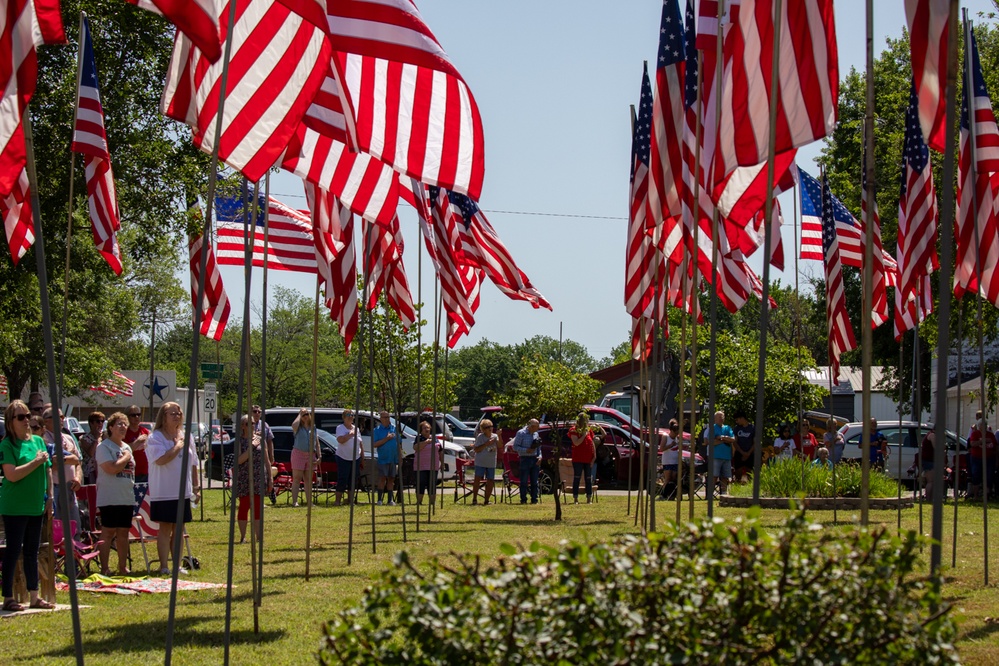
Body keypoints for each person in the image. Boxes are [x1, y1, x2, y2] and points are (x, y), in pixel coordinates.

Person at [0, 400, 55, 611]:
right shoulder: (7, 445)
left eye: (27, 416)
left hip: (35, 505)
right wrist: (35, 462)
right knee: (14, 550)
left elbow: (48, 470)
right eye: (20, 417)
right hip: (15, 506)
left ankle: (35, 596)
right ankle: (8, 597)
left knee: (32, 551)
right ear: (11, 422)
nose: (26, 421)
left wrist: (50, 497)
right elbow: (11, 475)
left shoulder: (38, 442)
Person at [146, 402, 200, 575]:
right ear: (164, 416)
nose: (177, 416)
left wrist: (196, 487)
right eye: (172, 413)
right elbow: (161, 459)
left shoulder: (186, 436)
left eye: (179, 413)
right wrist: (177, 446)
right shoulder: (155, 437)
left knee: (179, 528)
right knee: (165, 527)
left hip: (182, 490)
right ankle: (163, 566)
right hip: (163, 491)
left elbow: (193, 463)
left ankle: (177, 565)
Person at [95, 412, 135, 576]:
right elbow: (111, 469)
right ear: (110, 427)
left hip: (126, 496)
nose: (123, 427)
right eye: (119, 424)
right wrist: (125, 457)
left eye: (125, 424)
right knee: (108, 532)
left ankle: (122, 566)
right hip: (109, 497)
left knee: (123, 533)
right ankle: (105, 568)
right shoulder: (103, 447)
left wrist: (126, 454)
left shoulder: (127, 447)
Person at [42, 407, 82, 534]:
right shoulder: (43, 439)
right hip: (54, 487)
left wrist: (78, 478)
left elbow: (78, 462)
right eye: (57, 417)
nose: (61, 420)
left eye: (62, 417)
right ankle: (58, 553)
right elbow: (53, 463)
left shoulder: (69, 438)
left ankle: (75, 552)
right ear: (46, 421)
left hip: (70, 487)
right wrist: (71, 458)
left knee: (74, 526)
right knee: (57, 527)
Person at [236, 415, 270, 543]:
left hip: (258, 477)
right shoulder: (239, 441)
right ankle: (243, 536)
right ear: (243, 426)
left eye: (254, 423)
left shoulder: (261, 440)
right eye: (249, 423)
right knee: (244, 506)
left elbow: (266, 460)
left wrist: (270, 479)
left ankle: (258, 537)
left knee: (257, 507)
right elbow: (239, 460)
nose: (253, 425)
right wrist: (251, 447)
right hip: (244, 477)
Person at [568, 413, 603, 504]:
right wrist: (583, 435)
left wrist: (594, 456)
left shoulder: (589, 430)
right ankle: (575, 498)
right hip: (578, 458)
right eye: (586, 420)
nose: (587, 422)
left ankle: (589, 498)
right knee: (577, 478)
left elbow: (592, 443)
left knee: (588, 478)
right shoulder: (574, 430)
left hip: (588, 459)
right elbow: (576, 443)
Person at [290, 409, 320, 507]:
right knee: (297, 478)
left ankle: (309, 502)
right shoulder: (298, 427)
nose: (305, 416)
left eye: (307, 414)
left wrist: (319, 455)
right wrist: (300, 414)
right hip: (298, 454)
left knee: (308, 479)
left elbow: (317, 442)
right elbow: (293, 425)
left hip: (311, 455)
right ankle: (295, 501)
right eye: (303, 415)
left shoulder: (313, 427)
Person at [334, 411, 364, 506]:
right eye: (348, 415)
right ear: (343, 417)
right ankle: (337, 501)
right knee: (342, 479)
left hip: (355, 458)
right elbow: (340, 440)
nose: (350, 417)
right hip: (343, 457)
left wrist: (362, 457)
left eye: (352, 415)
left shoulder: (356, 429)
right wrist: (350, 435)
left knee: (353, 480)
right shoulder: (340, 428)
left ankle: (351, 501)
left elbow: (360, 443)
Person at [372, 411, 400, 506]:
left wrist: (400, 456)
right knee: (382, 478)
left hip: (393, 458)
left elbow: (399, 443)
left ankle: (390, 500)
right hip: (383, 458)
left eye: (388, 417)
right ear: (380, 419)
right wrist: (386, 439)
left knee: (391, 479)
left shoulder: (394, 429)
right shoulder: (377, 430)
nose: (387, 419)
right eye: (384, 417)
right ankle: (379, 499)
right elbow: (374, 444)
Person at [703, 411, 734, 494]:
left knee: (725, 476)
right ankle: (710, 494)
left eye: (722, 416)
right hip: (715, 456)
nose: (721, 418)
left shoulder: (728, 428)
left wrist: (721, 438)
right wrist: (725, 441)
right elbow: (711, 442)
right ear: (715, 419)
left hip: (727, 457)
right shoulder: (712, 428)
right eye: (719, 417)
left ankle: (724, 493)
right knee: (714, 476)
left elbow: (733, 439)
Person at [512, 419, 542, 504]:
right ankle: (523, 499)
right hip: (525, 459)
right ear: (531, 426)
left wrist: (540, 456)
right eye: (537, 426)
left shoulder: (536, 434)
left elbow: (539, 447)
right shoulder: (521, 433)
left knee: (534, 481)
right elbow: (515, 447)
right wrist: (526, 450)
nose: (538, 428)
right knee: (524, 481)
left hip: (535, 458)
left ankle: (534, 499)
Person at [471, 419, 500, 505]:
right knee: (477, 480)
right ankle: (474, 499)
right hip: (481, 462)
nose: (490, 428)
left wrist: (499, 436)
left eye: (491, 426)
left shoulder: (495, 436)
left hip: (491, 462)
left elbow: (500, 445)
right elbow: (476, 449)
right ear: (483, 429)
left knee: (490, 481)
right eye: (487, 427)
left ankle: (486, 500)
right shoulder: (480, 436)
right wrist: (486, 444)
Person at [967, 419, 997, 501]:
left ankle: (987, 496)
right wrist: (983, 440)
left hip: (989, 458)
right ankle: (976, 496)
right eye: (982, 425)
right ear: (979, 426)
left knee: (989, 476)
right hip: (976, 458)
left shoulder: (990, 435)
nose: (984, 427)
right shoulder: (975, 434)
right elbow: (972, 444)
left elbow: (994, 445)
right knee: (976, 475)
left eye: (985, 425)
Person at [413, 421, 443, 505]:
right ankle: (419, 501)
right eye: (424, 428)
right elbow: (416, 448)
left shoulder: (435, 438)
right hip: (420, 465)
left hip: (433, 465)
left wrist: (442, 463)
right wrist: (426, 442)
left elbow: (440, 451)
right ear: (421, 430)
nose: (427, 429)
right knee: (421, 483)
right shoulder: (418, 438)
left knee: (432, 484)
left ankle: (432, 502)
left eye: (428, 427)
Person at [252, 405, 276, 503]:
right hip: (251, 455)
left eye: (259, 411)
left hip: (263, 454)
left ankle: (261, 501)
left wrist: (271, 455)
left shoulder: (265, 425)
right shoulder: (246, 423)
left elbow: (270, 440)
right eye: (255, 411)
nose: (257, 413)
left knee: (263, 478)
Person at [124, 406, 150, 484]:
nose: (136, 417)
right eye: (133, 415)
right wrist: (138, 441)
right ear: (127, 417)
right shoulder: (124, 432)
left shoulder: (145, 431)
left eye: (138, 414)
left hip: (146, 471)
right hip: (131, 472)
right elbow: (125, 450)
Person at [659, 419, 685, 494]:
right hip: (667, 461)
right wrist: (670, 445)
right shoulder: (666, 437)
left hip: (675, 461)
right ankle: (663, 494)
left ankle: (671, 494)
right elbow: (661, 449)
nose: (677, 435)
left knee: (674, 478)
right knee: (668, 478)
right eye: (676, 433)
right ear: (672, 431)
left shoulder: (677, 438)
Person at [79, 411, 105, 485]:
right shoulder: (84, 439)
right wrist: (96, 438)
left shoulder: (104, 437)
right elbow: (91, 453)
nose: (100, 424)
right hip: (90, 472)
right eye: (98, 421)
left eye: (102, 421)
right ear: (91, 423)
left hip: (101, 470)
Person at [732, 412, 755, 483]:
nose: (736, 422)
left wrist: (748, 453)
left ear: (742, 418)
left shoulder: (753, 428)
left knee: (750, 471)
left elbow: (755, 442)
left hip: (750, 453)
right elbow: (734, 442)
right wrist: (742, 452)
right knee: (738, 471)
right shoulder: (736, 429)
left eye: (737, 420)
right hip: (739, 453)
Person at [915, 430, 935, 501]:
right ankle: (929, 499)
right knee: (931, 481)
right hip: (929, 461)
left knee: (932, 481)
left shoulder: (930, 434)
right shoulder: (932, 435)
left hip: (929, 460)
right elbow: (936, 447)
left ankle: (930, 498)